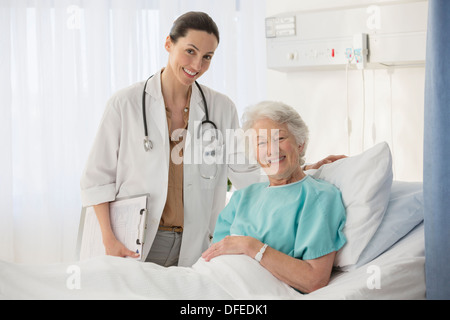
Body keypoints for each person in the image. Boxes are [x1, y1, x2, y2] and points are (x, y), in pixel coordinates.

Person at [81, 11, 343, 268]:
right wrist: (109, 238)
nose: (197, 65)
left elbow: (247, 173)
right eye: (190, 51)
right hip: (132, 242)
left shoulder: (220, 108)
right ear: (168, 43)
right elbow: (97, 179)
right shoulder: (125, 104)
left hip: (193, 243)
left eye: (207, 57)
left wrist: (302, 169)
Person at [202, 101, 347, 293]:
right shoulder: (242, 197)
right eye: (262, 142)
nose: (272, 150)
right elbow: (214, 257)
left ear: (300, 143)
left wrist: (252, 246)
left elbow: (314, 279)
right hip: (210, 283)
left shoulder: (318, 198)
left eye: (279, 138)